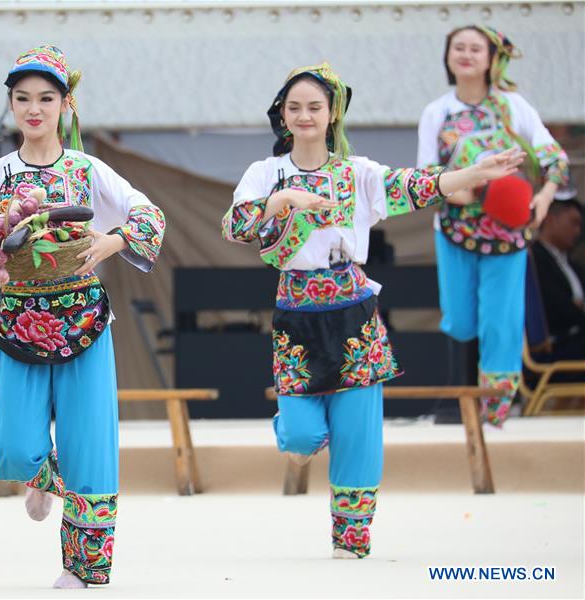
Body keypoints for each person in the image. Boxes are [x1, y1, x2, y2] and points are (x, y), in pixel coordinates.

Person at [222, 62, 522, 559]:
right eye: (293, 107)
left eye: (314, 106)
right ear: (282, 114)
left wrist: (475, 173)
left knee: (358, 435)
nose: (304, 115)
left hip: (353, 311)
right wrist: (284, 200)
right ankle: (297, 440)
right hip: (296, 309)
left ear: (333, 112)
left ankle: (351, 542)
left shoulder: (358, 173)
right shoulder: (265, 173)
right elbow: (235, 226)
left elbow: (418, 186)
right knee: (301, 435)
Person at [0, 45, 165, 588]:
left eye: (46, 98)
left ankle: (83, 568)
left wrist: (112, 242)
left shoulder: (87, 170)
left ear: (66, 103)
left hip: (84, 319)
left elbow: (147, 214)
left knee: (91, 446)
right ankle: (42, 477)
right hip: (19, 322)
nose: (34, 109)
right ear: (11, 104)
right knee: (10, 446)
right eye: (22, 98)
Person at [417, 25, 569, 426]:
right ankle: (461, 403)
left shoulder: (514, 107)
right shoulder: (437, 112)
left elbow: (554, 158)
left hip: (508, 235)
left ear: (491, 59)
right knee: (460, 318)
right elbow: (424, 179)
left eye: (475, 48)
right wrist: (470, 190)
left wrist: (544, 197)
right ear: (447, 56)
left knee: (501, 321)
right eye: (458, 48)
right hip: (454, 230)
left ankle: (497, 408)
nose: (466, 54)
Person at [530, 192, 585, 361]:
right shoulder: (534, 259)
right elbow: (555, 307)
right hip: (556, 346)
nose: (577, 231)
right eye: (573, 223)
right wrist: (578, 309)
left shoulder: (573, 265)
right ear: (550, 219)